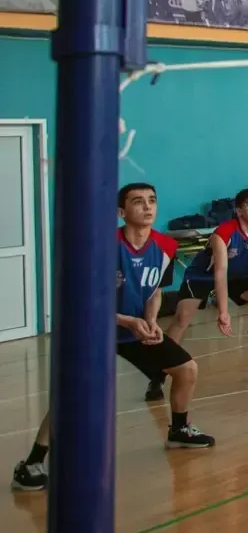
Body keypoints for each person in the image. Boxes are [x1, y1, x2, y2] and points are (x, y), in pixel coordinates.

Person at [14, 183, 214, 490]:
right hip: (92, 329)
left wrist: (149, 320)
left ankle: (179, 431)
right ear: (121, 212)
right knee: (72, 396)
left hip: (134, 329)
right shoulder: (101, 246)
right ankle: (32, 463)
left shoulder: (165, 247)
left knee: (186, 369)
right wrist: (128, 321)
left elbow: (155, 290)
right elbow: (85, 302)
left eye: (152, 201)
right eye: (138, 202)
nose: (147, 207)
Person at [167, 186, 248, 380]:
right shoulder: (224, 232)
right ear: (238, 210)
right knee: (182, 317)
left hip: (241, 277)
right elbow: (220, 272)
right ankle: (158, 372)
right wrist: (223, 312)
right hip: (203, 276)